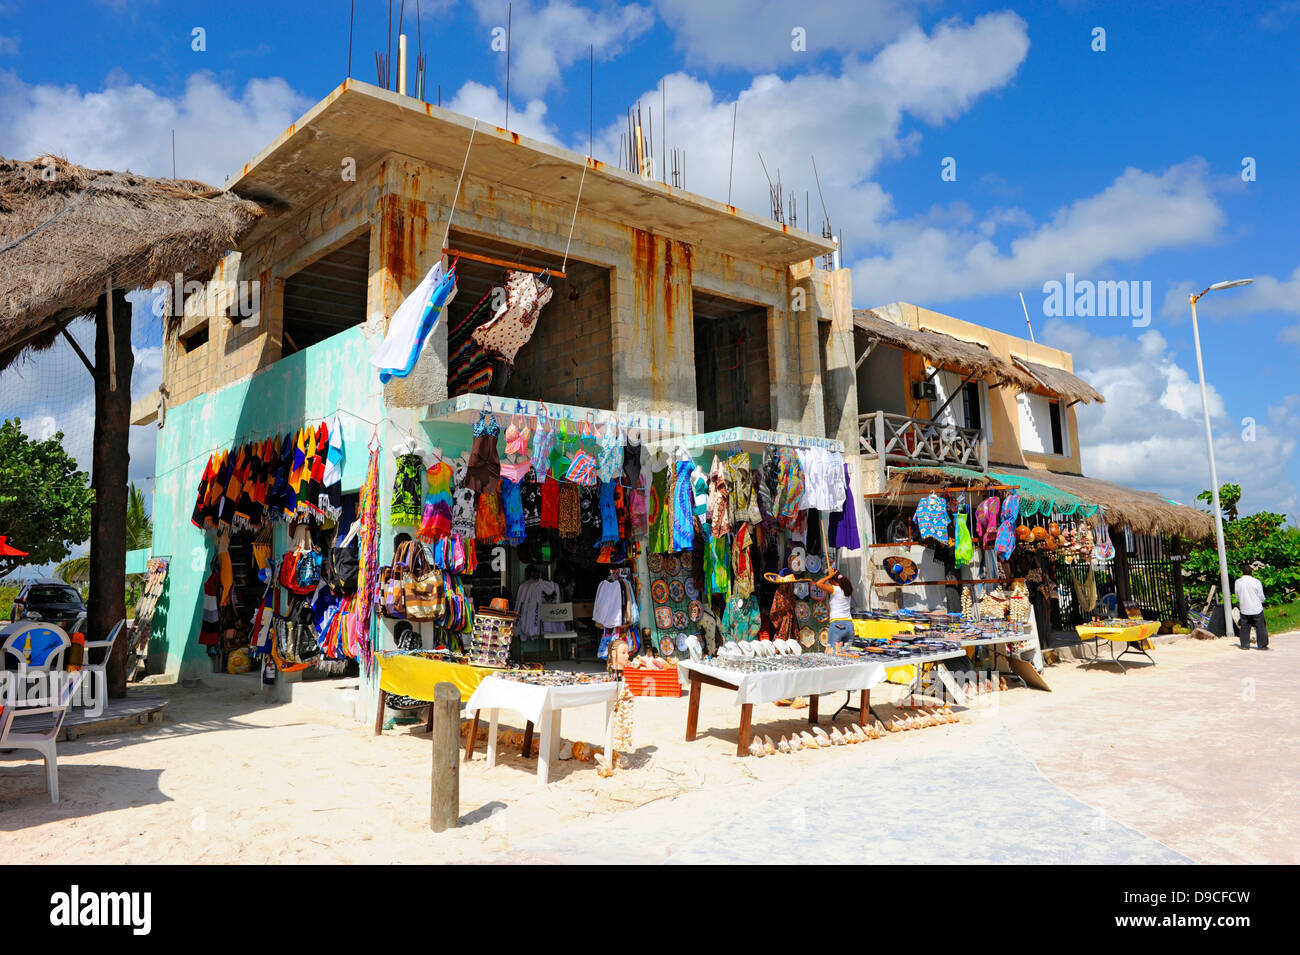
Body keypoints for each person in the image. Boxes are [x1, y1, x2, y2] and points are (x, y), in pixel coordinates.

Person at [814, 568, 855, 646]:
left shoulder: (835, 589)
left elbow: (818, 584)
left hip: (838, 624)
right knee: (847, 654)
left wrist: (829, 576)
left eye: (829, 581)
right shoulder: (846, 589)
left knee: (832, 653)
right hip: (849, 624)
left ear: (832, 580)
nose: (828, 582)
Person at [1234, 569, 1269, 650]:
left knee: (1244, 627)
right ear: (1251, 572)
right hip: (1256, 608)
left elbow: (1237, 595)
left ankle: (1244, 645)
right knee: (1260, 627)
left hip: (1244, 608)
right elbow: (1261, 596)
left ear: (1242, 572)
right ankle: (1262, 645)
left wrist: (1242, 601)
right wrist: (1261, 601)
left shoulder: (1238, 582)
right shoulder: (1256, 581)